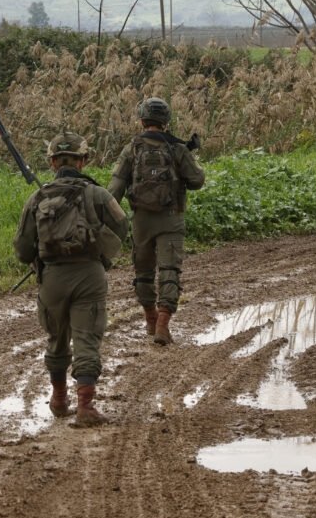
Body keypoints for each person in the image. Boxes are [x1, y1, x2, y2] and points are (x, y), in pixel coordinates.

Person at [13, 132, 129, 427]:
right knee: (87, 338)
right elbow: (121, 225)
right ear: (83, 161)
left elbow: (22, 248)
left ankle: (59, 399)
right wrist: (100, 249)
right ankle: (86, 406)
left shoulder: (37, 198)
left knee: (56, 338)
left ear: (52, 162)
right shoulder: (98, 194)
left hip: (51, 278)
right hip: (89, 275)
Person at [106, 97, 205, 346]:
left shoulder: (133, 148)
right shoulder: (177, 148)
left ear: (142, 120)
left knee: (144, 272)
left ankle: (150, 318)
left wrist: (102, 217)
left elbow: (115, 188)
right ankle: (163, 324)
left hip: (141, 220)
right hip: (171, 219)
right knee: (169, 270)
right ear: (166, 122)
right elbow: (196, 181)